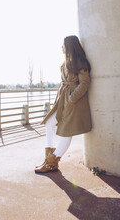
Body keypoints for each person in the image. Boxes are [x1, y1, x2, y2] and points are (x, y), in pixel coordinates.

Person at [35, 35, 92, 173]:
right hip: (63, 99)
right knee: (50, 122)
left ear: (69, 46)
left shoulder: (80, 62)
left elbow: (84, 83)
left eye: (63, 44)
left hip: (74, 102)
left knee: (67, 132)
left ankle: (52, 162)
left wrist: (71, 99)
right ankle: (49, 158)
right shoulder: (66, 62)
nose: (61, 47)